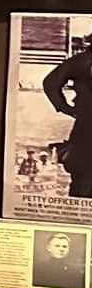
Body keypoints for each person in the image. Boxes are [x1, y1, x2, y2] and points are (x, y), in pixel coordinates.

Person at [42, 42, 92, 198]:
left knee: (83, 172)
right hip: (86, 122)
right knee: (83, 171)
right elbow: (51, 83)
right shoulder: (83, 60)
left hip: (85, 120)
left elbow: (51, 82)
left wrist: (65, 108)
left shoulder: (81, 60)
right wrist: (65, 108)